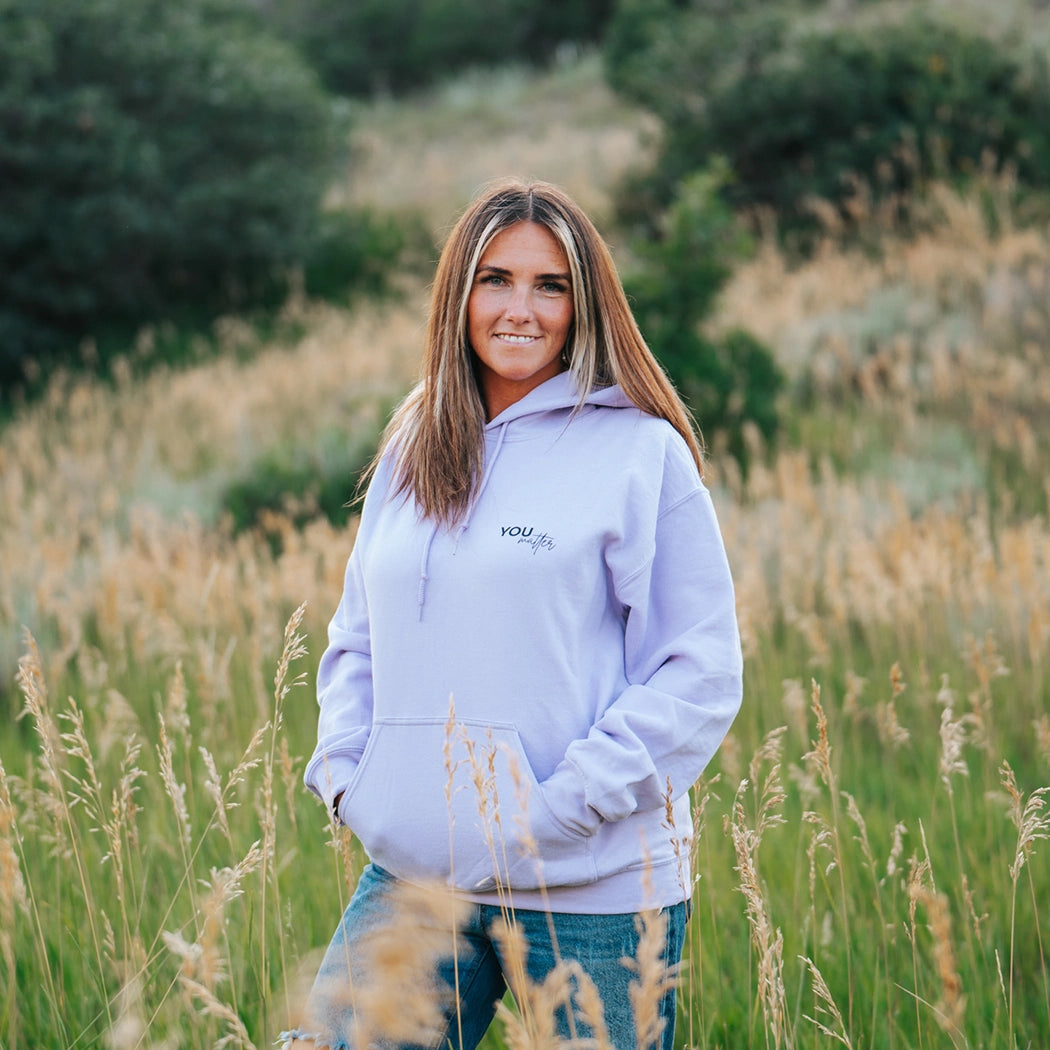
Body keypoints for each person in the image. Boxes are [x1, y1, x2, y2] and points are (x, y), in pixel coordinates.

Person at [282, 178, 743, 1050]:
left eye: (550, 285)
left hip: (590, 886)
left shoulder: (640, 453)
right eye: (495, 280)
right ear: (458, 296)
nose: (520, 309)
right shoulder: (416, 436)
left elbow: (699, 672)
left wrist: (558, 812)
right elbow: (358, 632)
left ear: (585, 304)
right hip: (417, 872)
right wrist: (349, 776)